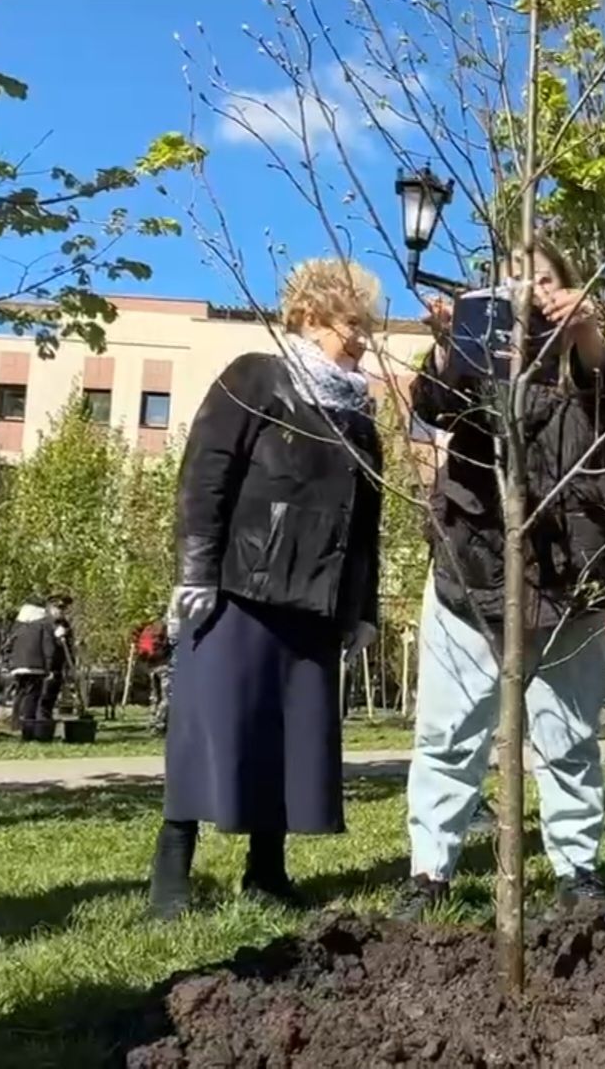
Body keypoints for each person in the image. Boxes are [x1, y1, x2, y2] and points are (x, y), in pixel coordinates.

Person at [396, 237, 605, 921]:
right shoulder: (478, 364)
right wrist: (449, 345)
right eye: (513, 282)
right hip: (471, 565)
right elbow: (435, 403)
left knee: (568, 737)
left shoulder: (586, 369)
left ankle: (577, 871)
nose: (529, 294)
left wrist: (589, 330)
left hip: (571, 576)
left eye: (543, 279)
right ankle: (429, 872)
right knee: (449, 736)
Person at [146, 257, 384, 919]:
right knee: (207, 729)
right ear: (309, 315)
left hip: (316, 600)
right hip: (237, 588)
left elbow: (366, 523)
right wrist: (195, 569)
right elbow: (206, 475)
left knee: (288, 736)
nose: (362, 338)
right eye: (351, 324)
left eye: (366, 327)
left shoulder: (359, 415)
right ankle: (172, 872)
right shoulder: (255, 376)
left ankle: (267, 872)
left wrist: (362, 609)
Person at [5, 597, 61, 741]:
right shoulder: (43, 625)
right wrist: (49, 668)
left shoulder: (19, 627)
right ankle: (29, 730)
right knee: (32, 698)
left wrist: (10, 664)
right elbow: (48, 648)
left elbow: (9, 646)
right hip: (36, 667)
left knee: (20, 695)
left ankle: (17, 725)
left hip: (18, 667)